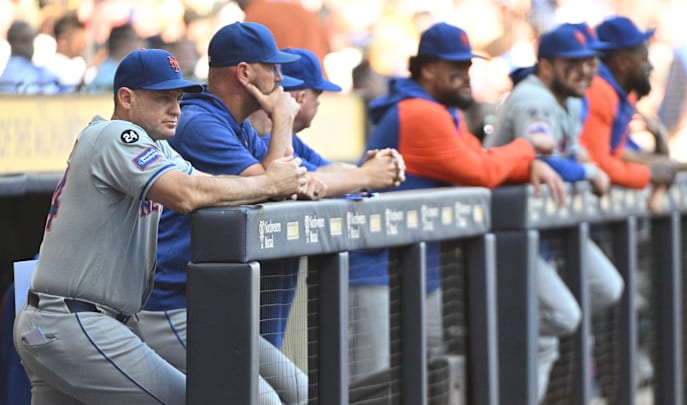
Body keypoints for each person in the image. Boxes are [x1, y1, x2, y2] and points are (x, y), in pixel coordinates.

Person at [12, 48, 308, 405]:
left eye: (179, 99)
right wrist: (270, 184)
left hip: (69, 322)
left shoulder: (160, 150)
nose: (176, 110)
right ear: (126, 98)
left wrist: (278, 183)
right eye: (163, 98)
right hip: (76, 320)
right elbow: (186, 194)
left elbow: (209, 189)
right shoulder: (116, 135)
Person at [346, 22, 566, 385]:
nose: (466, 76)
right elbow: (482, 171)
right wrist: (528, 149)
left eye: (468, 67)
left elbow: (482, 158)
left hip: (416, 263)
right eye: (456, 68)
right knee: (369, 380)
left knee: (426, 372)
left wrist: (527, 163)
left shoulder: (442, 109)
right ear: (428, 68)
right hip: (373, 266)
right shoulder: (419, 112)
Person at [137, 22, 315, 405]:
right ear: (245, 73)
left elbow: (278, 181)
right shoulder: (199, 122)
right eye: (273, 67)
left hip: (207, 304)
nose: (281, 78)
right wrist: (282, 119)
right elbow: (273, 192)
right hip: (170, 306)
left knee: (300, 391)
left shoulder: (234, 126)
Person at [485, 23, 624, 400]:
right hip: (507, 232)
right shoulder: (534, 98)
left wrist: (577, 160)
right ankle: (515, 330)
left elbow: (562, 154)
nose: (585, 71)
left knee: (605, 289)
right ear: (545, 66)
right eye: (573, 62)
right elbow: (537, 156)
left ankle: (529, 328)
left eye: (590, 61)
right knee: (563, 318)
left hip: (545, 231)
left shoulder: (573, 99)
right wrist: (587, 169)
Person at [247, 47, 405, 348]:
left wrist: (361, 173)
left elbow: (328, 172)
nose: (318, 105)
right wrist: (366, 176)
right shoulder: (265, 139)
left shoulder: (290, 140)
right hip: (237, 297)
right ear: (300, 98)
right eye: (317, 97)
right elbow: (309, 182)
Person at [579, 16, 684, 198]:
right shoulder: (599, 91)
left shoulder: (622, 94)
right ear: (622, 63)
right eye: (643, 59)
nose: (650, 67)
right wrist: (649, 173)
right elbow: (597, 162)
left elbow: (618, 153)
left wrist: (666, 159)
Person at [0, 20, 60, 94]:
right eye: (25, 40)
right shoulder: (14, 68)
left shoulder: (33, 67)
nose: (30, 46)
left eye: (31, 40)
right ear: (12, 41)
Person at [86, 23, 146, 93]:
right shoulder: (110, 76)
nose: (140, 45)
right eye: (137, 40)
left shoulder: (119, 71)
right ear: (124, 44)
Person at [43, 11, 88, 92]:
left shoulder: (79, 62)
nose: (84, 45)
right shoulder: (51, 67)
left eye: (84, 41)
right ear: (63, 42)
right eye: (80, 41)